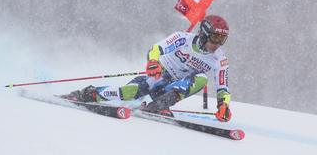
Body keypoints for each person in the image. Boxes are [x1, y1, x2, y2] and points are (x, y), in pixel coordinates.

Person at [62, 15, 232, 122]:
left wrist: (223, 104)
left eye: (222, 39)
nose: (217, 43)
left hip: (175, 88)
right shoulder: (182, 38)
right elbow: (156, 49)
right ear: (203, 33)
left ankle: (160, 105)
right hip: (160, 75)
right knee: (130, 92)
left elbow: (223, 86)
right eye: (215, 37)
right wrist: (153, 62)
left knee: (201, 78)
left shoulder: (219, 59)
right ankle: (88, 94)